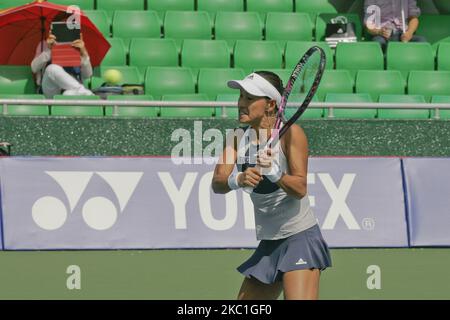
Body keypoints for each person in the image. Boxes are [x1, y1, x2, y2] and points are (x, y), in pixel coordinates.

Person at [211, 71, 332, 300]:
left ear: (270, 105)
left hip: (300, 237)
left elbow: (300, 188)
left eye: (249, 98)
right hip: (270, 241)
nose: (241, 104)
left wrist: (275, 173)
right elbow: (217, 182)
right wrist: (238, 179)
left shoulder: (292, 134)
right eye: (241, 97)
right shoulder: (237, 137)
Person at [31, 14, 94, 98]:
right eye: (61, 26)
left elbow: (87, 75)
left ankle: (79, 90)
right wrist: (49, 50)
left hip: (71, 90)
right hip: (51, 89)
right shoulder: (44, 44)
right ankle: (86, 93)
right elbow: (34, 68)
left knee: (67, 94)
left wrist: (84, 52)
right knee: (52, 68)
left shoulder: (77, 45)